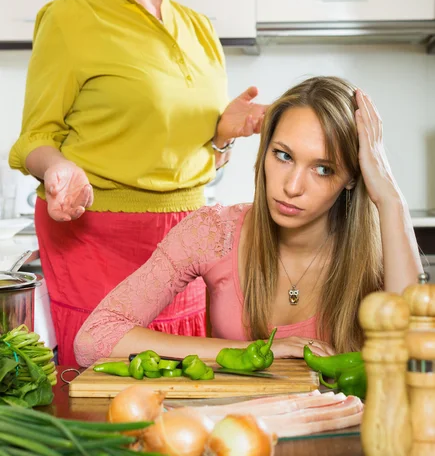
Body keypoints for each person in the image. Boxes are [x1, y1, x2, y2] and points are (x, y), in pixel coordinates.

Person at [8, 0, 266, 366]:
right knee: (106, 372)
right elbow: (37, 136)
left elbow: (197, 159)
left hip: (186, 231)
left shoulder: (201, 28)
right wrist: (57, 169)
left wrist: (221, 137)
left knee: (183, 374)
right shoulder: (69, 17)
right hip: (95, 231)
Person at [74, 76, 422, 367]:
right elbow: (94, 339)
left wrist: (390, 199)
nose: (292, 186)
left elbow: (417, 362)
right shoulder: (214, 232)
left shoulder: (378, 249)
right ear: (265, 151)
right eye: (283, 156)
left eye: (323, 168)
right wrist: (260, 352)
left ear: (351, 176)